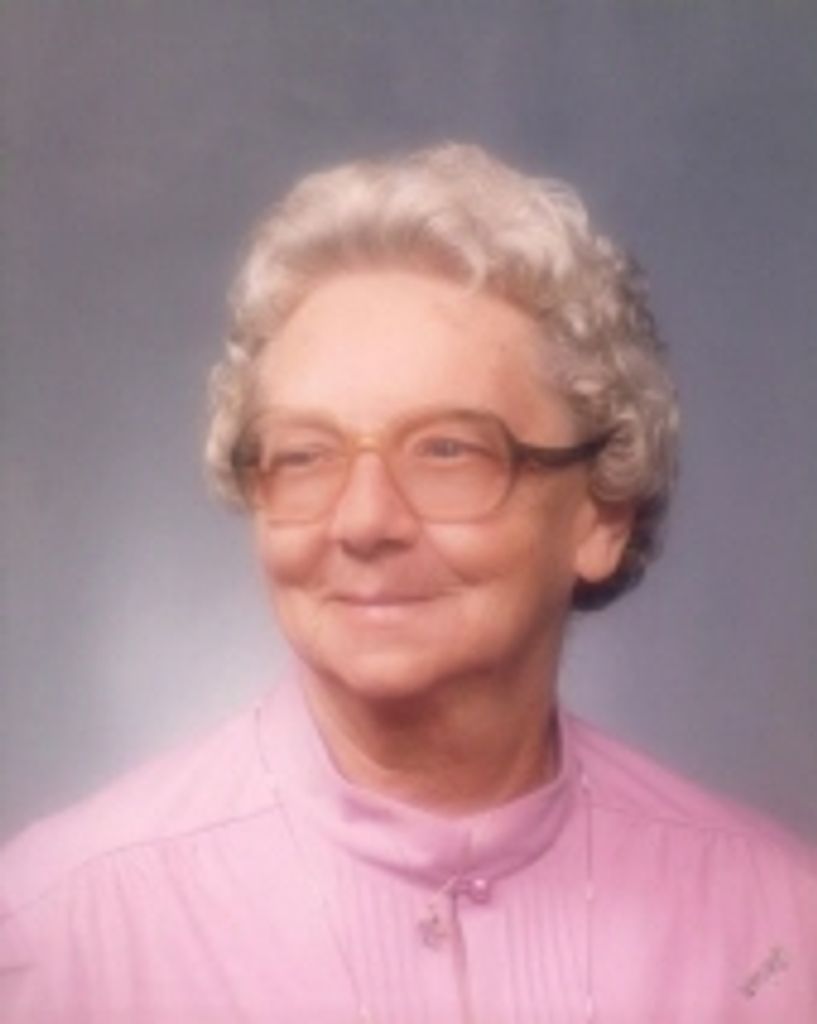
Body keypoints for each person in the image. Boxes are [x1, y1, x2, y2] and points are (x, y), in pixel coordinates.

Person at [1, 143, 815, 1023]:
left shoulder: (778, 929)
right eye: (305, 456)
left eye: (447, 451)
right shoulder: (53, 936)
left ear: (601, 513)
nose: (363, 522)